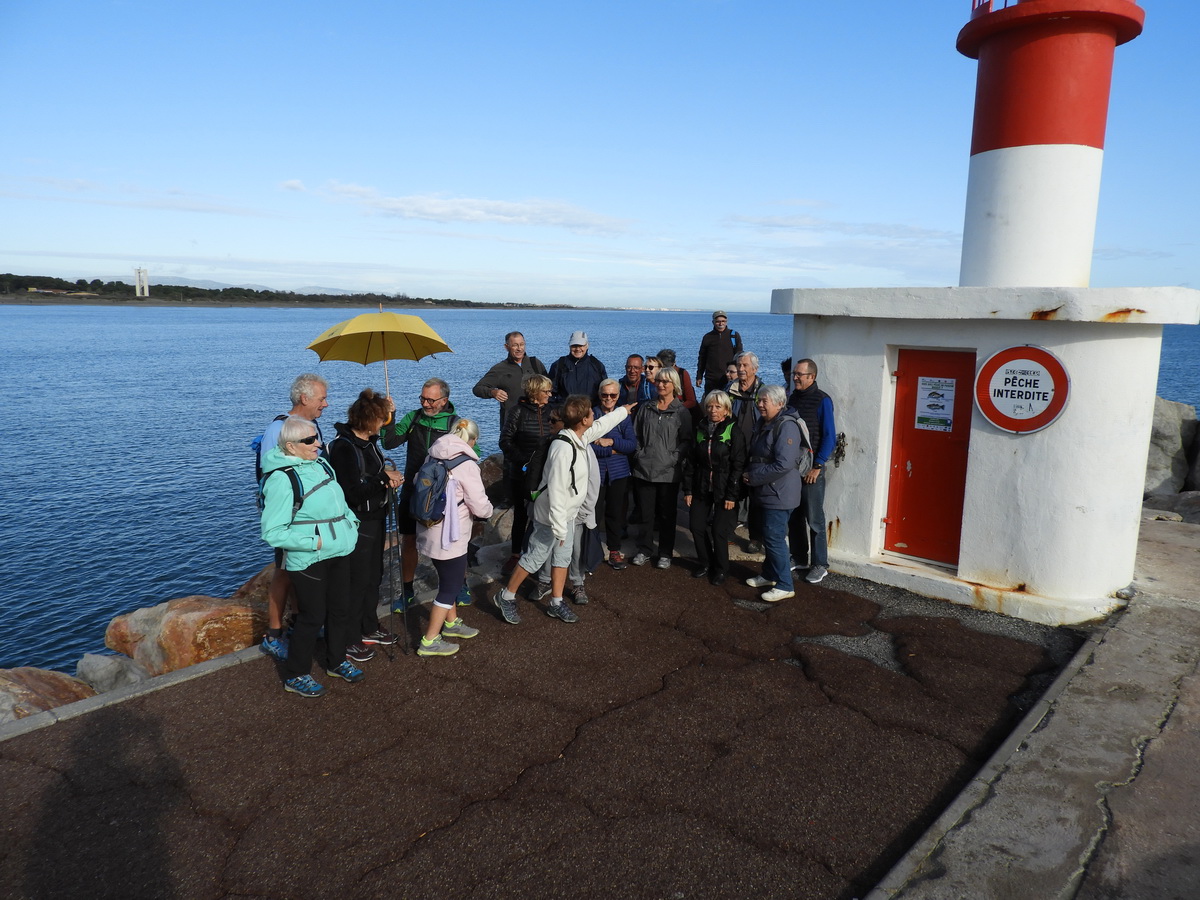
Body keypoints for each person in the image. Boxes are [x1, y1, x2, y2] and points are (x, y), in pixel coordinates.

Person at [493, 395, 633, 625]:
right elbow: (557, 491)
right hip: (552, 517)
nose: (594, 415)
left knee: (562, 558)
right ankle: (506, 596)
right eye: (590, 413)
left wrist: (623, 411)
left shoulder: (579, 435)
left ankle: (556, 602)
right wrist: (559, 528)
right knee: (535, 557)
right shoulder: (562, 448)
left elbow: (601, 426)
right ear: (583, 420)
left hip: (566, 515)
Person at [260, 416, 363, 697]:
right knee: (311, 616)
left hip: (339, 549)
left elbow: (338, 501)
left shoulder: (320, 463)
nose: (318, 443)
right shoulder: (282, 479)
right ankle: (296, 674)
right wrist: (313, 541)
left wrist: (350, 524)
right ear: (291, 446)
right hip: (309, 557)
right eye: (310, 440)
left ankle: (336, 660)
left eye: (315, 437)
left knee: (340, 608)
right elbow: (272, 532)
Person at [257, 373, 330, 662]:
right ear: (304, 398)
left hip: (311, 515)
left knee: (300, 568)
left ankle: (300, 622)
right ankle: (273, 635)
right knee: (285, 572)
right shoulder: (278, 430)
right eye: (322, 398)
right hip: (291, 517)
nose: (326, 403)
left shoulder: (312, 426)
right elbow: (270, 475)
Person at [328, 389, 404, 663]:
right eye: (382, 419)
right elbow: (350, 493)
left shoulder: (369, 442)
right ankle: (350, 639)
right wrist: (384, 479)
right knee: (357, 581)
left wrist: (387, 479)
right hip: (357, 522)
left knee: (374, 575)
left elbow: (374, 475)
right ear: (370, 420)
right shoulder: (343, 448)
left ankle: (369, 626)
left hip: (375, 517)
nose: (384, 424)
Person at [414, 418, 493, 657]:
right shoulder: (466, 464)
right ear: (473, 440)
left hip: (429, 528)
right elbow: (479, 505)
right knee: (452, 585)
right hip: (451, 536)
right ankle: (429, 640)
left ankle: (452, 622)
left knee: (446, 578)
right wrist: (490, 512)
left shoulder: (433, 455)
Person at [380, 377, 460, 611]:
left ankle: (458, 585)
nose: (425, 404)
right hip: (412, 491)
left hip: (441, 495)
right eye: (422, 398)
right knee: (409, 541)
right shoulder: (413, 418)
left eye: (431, 400)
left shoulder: (455, 424)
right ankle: (407, 592)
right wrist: (389, 418)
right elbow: (389, 442)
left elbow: (469, 455)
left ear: (444, 400)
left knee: (447, 542)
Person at [742, 386, 809, 603]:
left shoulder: (786, 426)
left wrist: (754, 476)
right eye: (759, 400)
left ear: (780, 404)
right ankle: (770, 574)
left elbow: (784, 464)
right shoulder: (766, 423)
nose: (760, 404)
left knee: (774, 538)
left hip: (779, 493)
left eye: (765, 401)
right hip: (767, 490)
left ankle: (785, 584)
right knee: (769, 535)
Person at [682, 390, 746, 585]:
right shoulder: (700, 428)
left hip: (724, 489)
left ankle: (721, 569)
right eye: (709, 406)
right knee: (696, 526)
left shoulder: (733, 430)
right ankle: (705, 562)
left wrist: (731, 496)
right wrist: (688, 490)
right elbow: (691, 461)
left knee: (719, 531)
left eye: (718, 406)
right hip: (701, 486)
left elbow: (738, 464)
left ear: (726, 410)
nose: (713, 410)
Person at [630, 367, 690, 569]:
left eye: (666, 381)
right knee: (646, 514)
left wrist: (673, 458)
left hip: (668, 473)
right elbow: (635, 435)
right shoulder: (646, 408)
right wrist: (639, 454)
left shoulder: (681, 412)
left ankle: (665, 552)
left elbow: (686, 441)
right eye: (659, 381)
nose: (661, 385)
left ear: (674, 385)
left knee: (667, 515)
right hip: (644, 470)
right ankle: (644, 549)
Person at [498, 374, 558, 576]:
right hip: (521, 474)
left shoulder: (552, 411)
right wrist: (526, 459)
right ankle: (516, 555)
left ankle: (538, 555)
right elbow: (505, 442)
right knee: (521, 516)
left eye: (550, 391)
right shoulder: (517, 412)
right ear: (535, 392)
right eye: (546, 391)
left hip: (545, 474)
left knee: (541, 515)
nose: (550, 394)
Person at [787, 358, 837, 585]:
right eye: (794, 374)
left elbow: (829, 435)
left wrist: (817, 466)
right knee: (795, 515)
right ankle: (799, 557)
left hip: (812, 469)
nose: (795, 377)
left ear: (812, 377)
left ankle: (820, 564)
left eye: (799, 374)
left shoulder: (822, 400)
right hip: (794, 468)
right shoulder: (793, 397)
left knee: (815, 519)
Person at [591, 378, 637, 570]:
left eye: (613, 395)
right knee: (593, 514)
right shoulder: (591, 414)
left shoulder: (623, 416)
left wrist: (610, 443)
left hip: (618, 473)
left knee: (615, 513)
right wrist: (615, 451)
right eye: (605, 394)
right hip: (596, 473)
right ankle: (591, 551)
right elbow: (589, 447)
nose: (609, 398)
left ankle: (614, 551)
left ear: (618, 396)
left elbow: (631, 445)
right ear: (599, 395)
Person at [472, 330, 547, 437]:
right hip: (512, 426)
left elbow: (549, 388)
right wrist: (493, 392)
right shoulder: (500, 369)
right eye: (515, 345)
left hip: (537, 423)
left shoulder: (535, 363)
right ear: (506, 347)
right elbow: (477, 389)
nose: (519, 348)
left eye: (522, 344)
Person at [728, 351, 766, 554]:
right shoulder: (730, 389)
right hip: (733, 451)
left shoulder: (763, 391)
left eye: (745, 366)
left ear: (755, 369)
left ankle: (756, 538)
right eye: (739, 365)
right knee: (732, 491)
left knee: (756, 498)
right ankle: (727, 531)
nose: (741, 369)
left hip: (756, 452)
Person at [549, 330, 607, 404]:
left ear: (587, 345)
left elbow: (604, 391)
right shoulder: (558, 365)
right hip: (564, 412)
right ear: (569, 346)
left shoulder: (597, 365)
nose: (577, 349)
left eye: (581, 345)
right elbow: (551, 393)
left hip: (590, 412)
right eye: (574, 346)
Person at [696, 310, 743, 392]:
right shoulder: (707, 337)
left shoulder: (734, 335)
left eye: (723, 321)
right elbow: (702, 358)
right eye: (718, 321)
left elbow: (739, 357)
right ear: (713, 322)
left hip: (729, 378)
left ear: (726, 321)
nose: (721, 324)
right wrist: (699, 376)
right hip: (711, 379)